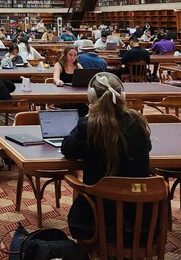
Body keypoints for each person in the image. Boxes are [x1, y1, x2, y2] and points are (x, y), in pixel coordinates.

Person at [61, 73, 151, 240]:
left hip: (96, 226)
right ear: (122, 96)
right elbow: (148, 147)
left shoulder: (89, 126)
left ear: (91, 97)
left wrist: (88, 117)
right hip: (142, 228)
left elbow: (68, 148)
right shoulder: (137, 122)